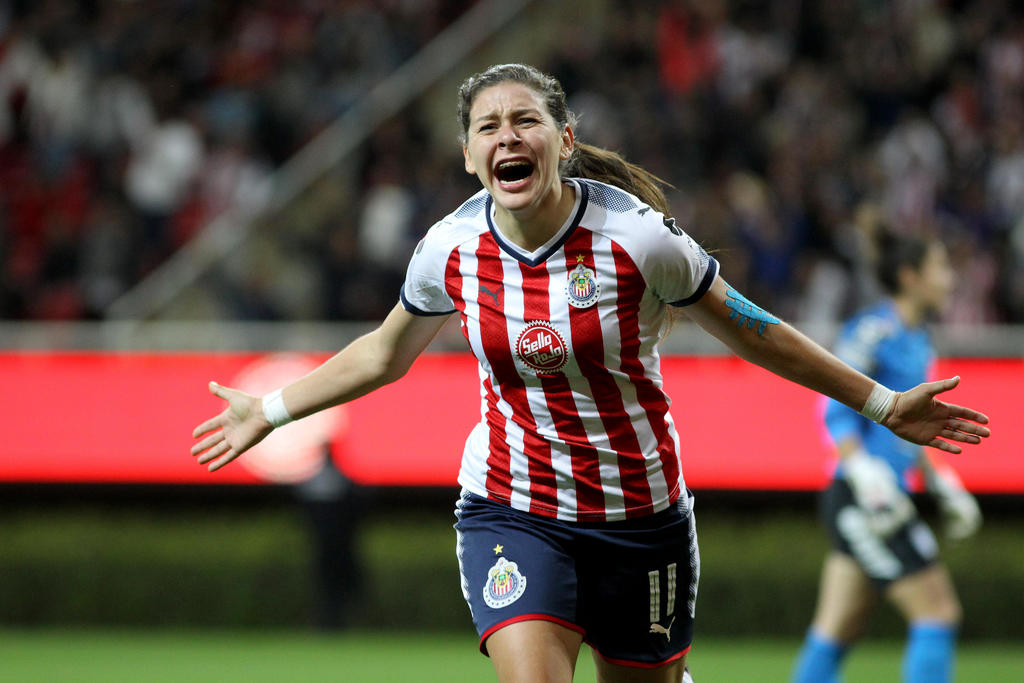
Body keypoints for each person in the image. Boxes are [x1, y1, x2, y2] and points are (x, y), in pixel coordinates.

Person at [191, 64, 990, 683]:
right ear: (469, 156)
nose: (508, 136)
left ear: (564, 140)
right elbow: (383, 351)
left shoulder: (639, 238)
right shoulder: (449, 248)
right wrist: (271, 408)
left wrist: (882, 403)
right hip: (513, 505)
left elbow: (758, 332)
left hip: (641, 515)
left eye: (526, 121)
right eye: (488, 126)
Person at [792, 231, 983, 683]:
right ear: (910, 276)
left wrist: (939, 482)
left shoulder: (919, 339)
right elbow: (834, 408)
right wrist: (861, 469)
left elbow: (910, 427)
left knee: (838, 627)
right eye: (941, 268)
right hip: (865, 499)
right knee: (937, 611)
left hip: (880, 496)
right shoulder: (871, 332)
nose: (950, 279)